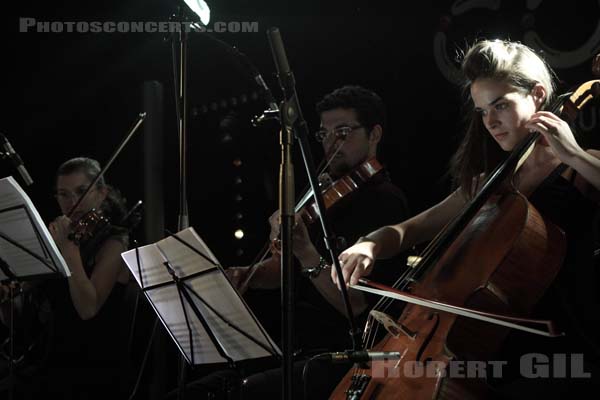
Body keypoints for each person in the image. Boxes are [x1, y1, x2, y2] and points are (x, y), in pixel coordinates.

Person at [333, 39, 600, 398]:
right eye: (482, 111)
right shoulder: (487, 184)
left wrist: (572, 154)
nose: (490, 121)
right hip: (490, 348)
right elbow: (405, 231)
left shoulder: (582, 167)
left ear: (537, 95)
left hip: (563, 350)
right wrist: (370, 243)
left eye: (501, 105)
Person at [184, 85, 411, 399]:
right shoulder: (326, 196)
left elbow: (357, 307)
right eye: (324, 133)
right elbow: (287, 269)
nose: (331, 142)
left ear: (374, 134)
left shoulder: (385, 202)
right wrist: (246, 275)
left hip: (344, 358)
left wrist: (305, 251)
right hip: (298, 350)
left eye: (343, 132)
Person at [3, 157, 136, 399]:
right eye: (63, 194)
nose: (73, 202)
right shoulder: (61, 241)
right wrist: (8, 298)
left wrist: (68, 250)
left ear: (102, 193)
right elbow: (21, 320)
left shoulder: (115, 242)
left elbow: (88, 308)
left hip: (93, 373)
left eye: (82, 191)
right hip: (49, 363)